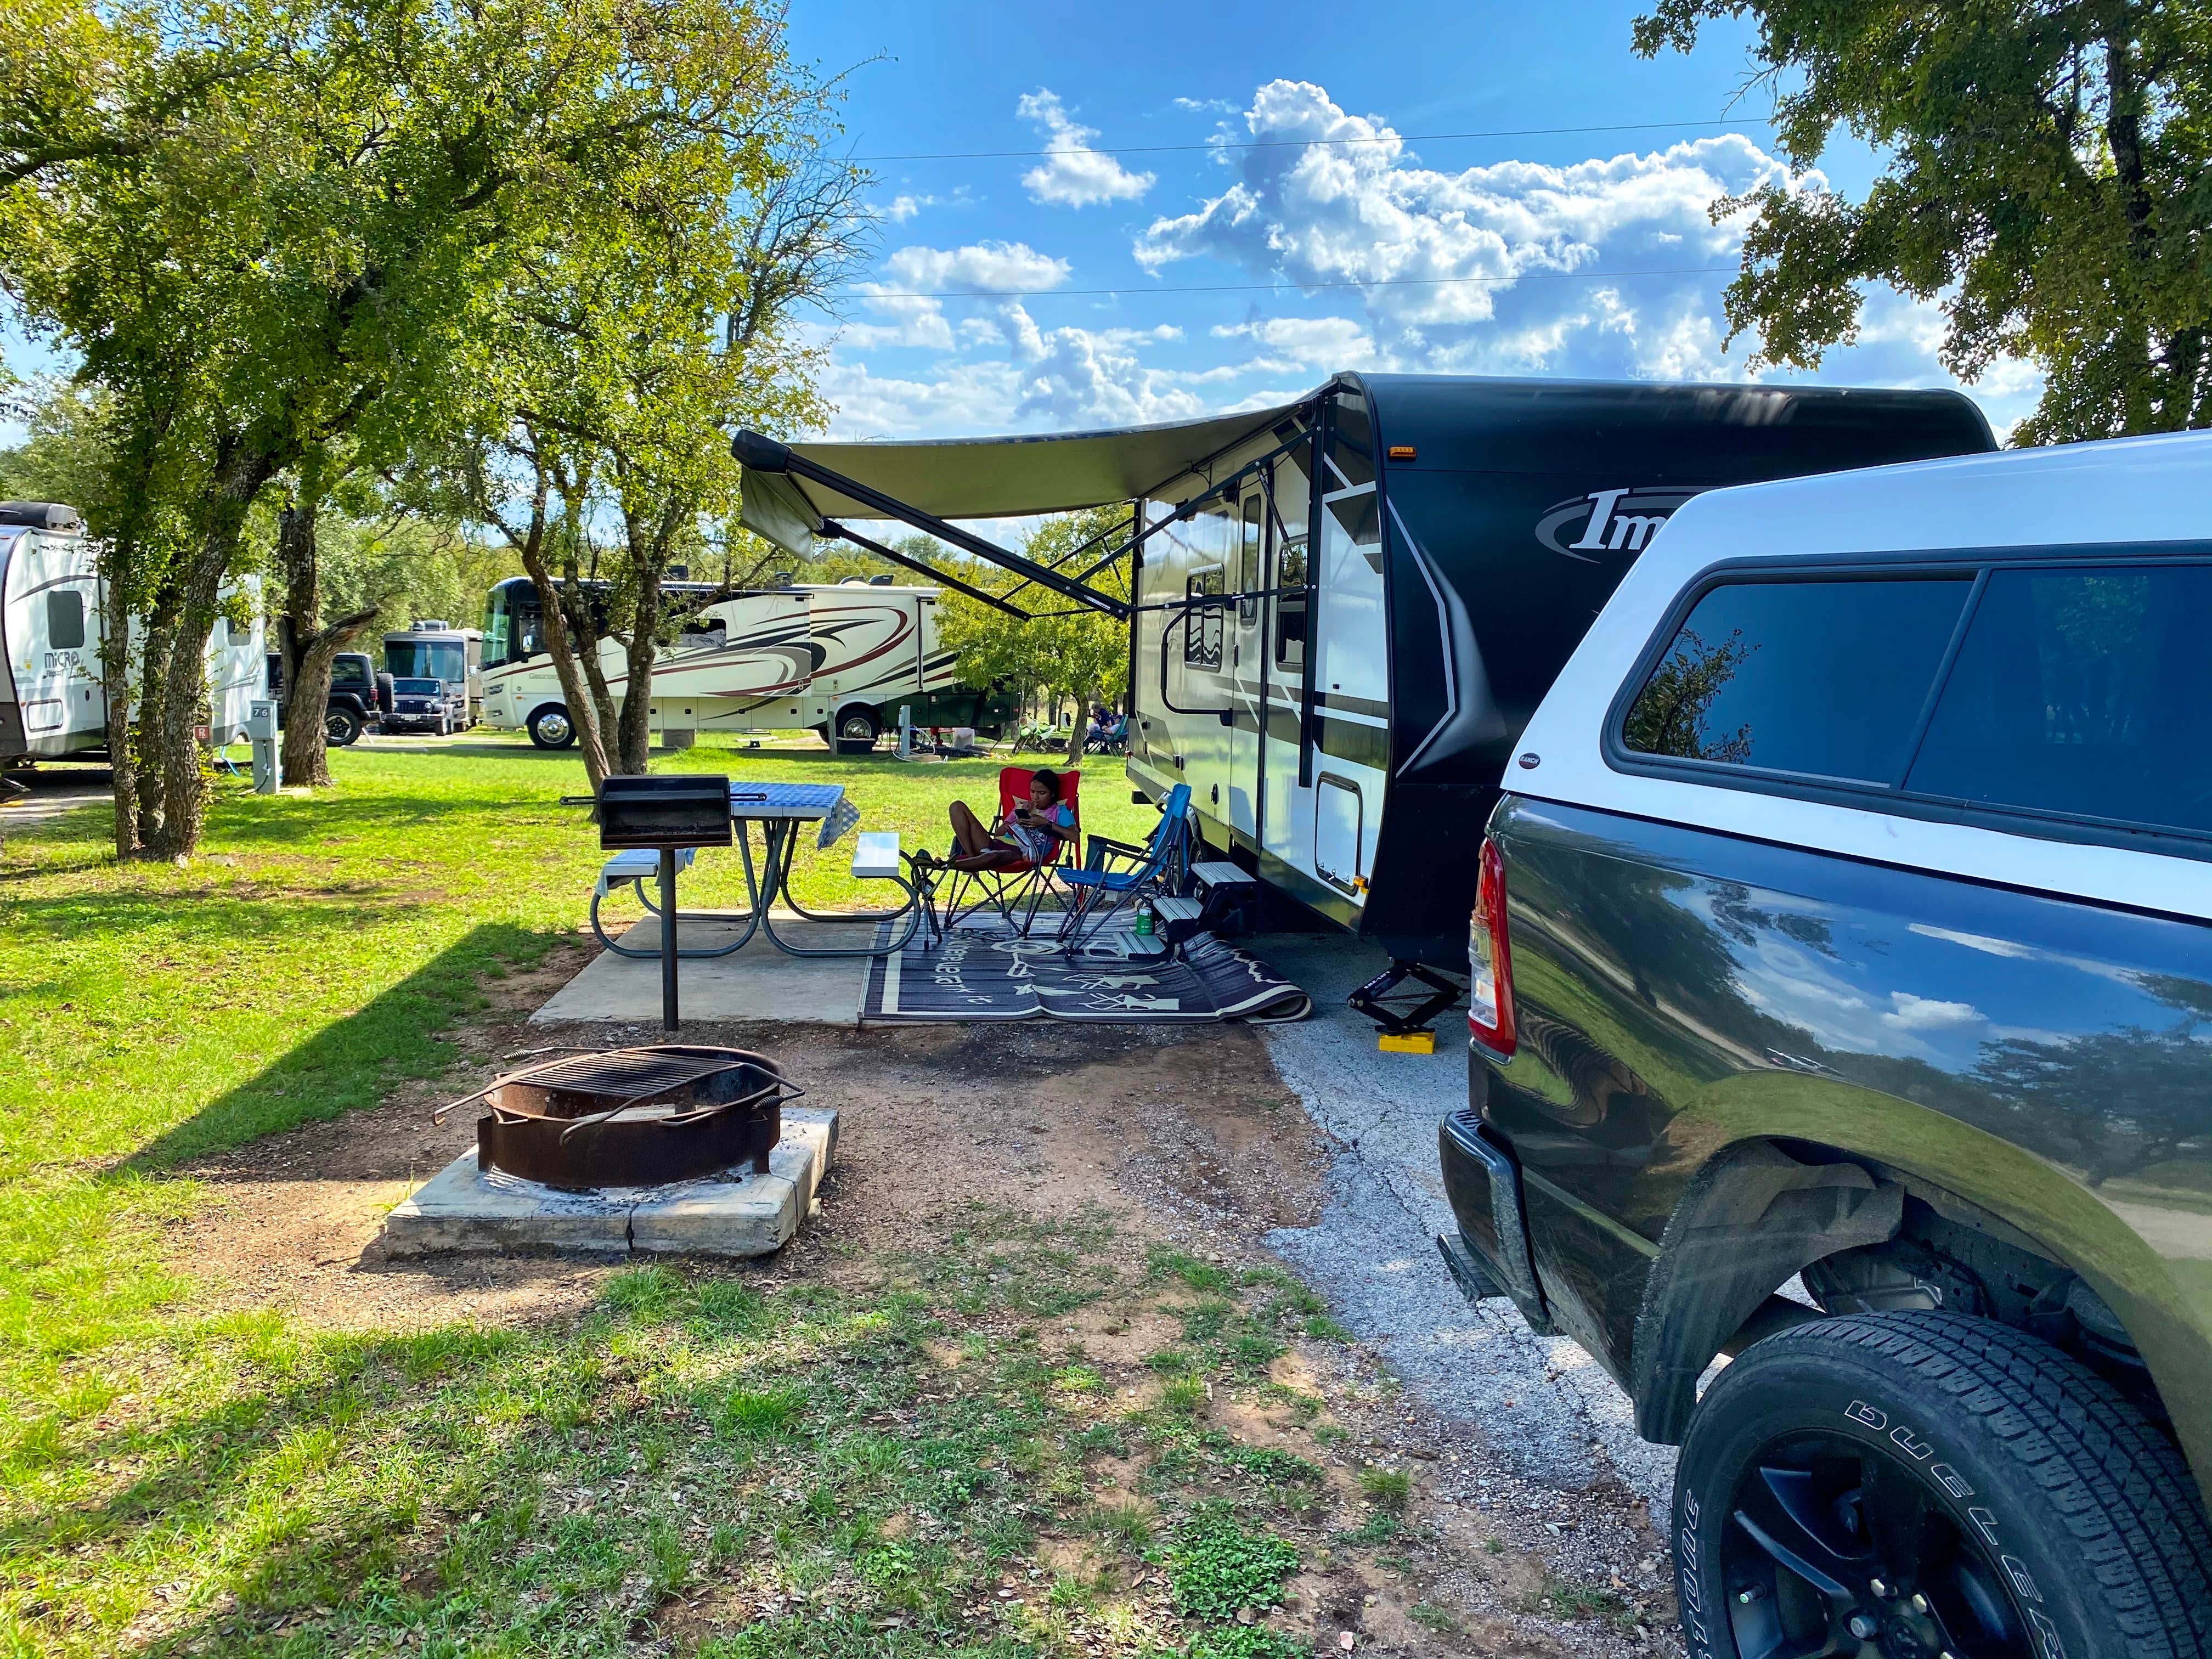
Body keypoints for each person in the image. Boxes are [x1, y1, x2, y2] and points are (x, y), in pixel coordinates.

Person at [946, 767, 1076, 868]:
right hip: (996, 844)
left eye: (1041, 793)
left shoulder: (1060, 812)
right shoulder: (1024, 806)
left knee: (993, 856)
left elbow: (1074, 837)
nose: (1035, 797)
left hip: (1019, 853)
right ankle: (971, 857)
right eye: (1032, 792)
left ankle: (948, 864)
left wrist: (1046, 823)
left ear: (1052, 793)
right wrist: (1016, 820)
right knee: (957, 807)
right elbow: (998, 833)